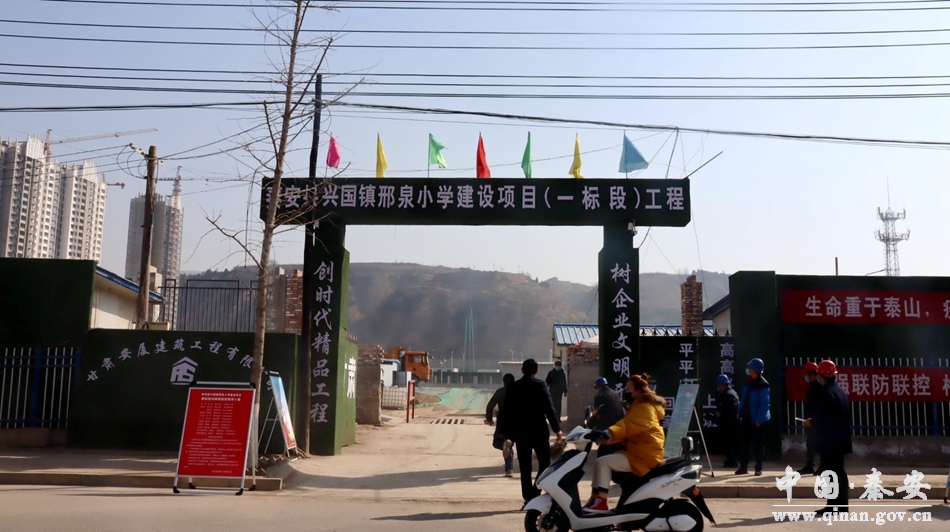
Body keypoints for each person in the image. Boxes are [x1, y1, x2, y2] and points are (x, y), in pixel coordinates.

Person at [582, 373, 666, 513]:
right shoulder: (637, 405)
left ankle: (601, 501)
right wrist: (606, 436)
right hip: (637, 451)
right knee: (600, 461)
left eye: (628, 389)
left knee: (602, 462)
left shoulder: (644, 408)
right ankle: (594, 499)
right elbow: (626, 426)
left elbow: (628, 426)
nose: (625, 391)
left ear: (637, 390)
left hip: (644, 456)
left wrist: (609, 433)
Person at [498, 358, 563, 506]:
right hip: (539, 431)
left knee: (525, 466)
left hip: (521, 433)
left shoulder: (513, 387)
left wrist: (503, 431)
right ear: (536, 371)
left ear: (522, 370)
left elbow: (506, 411)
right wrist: (557, 429)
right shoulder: (541, 385)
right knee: (545, 463)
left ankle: (528, 496)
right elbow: (549, 408)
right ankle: (536, 490)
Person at [806, 360, 852, 515]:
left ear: (821, 376)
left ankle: (832, 506)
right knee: (839, 472)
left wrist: (812, 422)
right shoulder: (839, 391)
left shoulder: (825, 393)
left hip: (830, 441)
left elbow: (824, 418)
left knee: (831, 473)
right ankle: (842, 505)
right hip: (840, 440)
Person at [736, 358, 770, 476]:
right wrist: (739, 411)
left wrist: (760, 419)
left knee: (758, 445)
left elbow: (765, 404)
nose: (749, 370)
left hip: (756, 419)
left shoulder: (763, 384)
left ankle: (758, 468)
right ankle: (743, 467)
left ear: (756, 370)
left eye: (750, 368)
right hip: (746, 417)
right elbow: (743, 398)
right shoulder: (748, 382)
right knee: (744, 443)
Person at [486, 373, 516, 477]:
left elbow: (490, 406)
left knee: (497, 442)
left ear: (504, 382)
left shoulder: (500, 392)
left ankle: (504, 448)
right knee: (510, 444)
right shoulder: (519, 392)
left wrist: (489, 418)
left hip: (502, 421)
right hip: (515, 422)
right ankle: (509, 470)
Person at [591, 377, 625, 457]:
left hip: (607, 427)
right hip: (618, 425)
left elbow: (597, 412)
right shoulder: (615, 393)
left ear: (599, 386)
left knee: (602, 453)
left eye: (597, 387)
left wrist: (591, 423)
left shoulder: (600, 396)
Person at [799, 361, 822, 475]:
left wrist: (813, 419)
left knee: (818, 444)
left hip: (815, 421)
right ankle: (809, 466)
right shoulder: (813, 387)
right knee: (810, 444)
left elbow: (819, 407)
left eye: (809, 374)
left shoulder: (818, 388)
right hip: (811, 420)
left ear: (813, 374)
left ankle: (821, 467)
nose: (807, 377)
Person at [714, 374, 740, 468]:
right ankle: (730, 461)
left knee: (729, 443)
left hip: (730, 423)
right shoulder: (729, 392)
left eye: (719, 385)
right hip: (729, 422)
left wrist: (721, 412)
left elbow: (733, 408)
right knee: (727, 443)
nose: (719, 387)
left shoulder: (729, 394)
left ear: (723, 384)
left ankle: (733, 461)